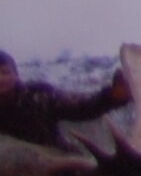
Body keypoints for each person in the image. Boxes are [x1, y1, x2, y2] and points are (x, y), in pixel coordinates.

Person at [0, 50, 128, 149]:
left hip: (55, 166)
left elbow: (80, 108)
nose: (0, 79)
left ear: (16, 75)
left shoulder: (38, 97)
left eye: (5, 72)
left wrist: (111, 97)